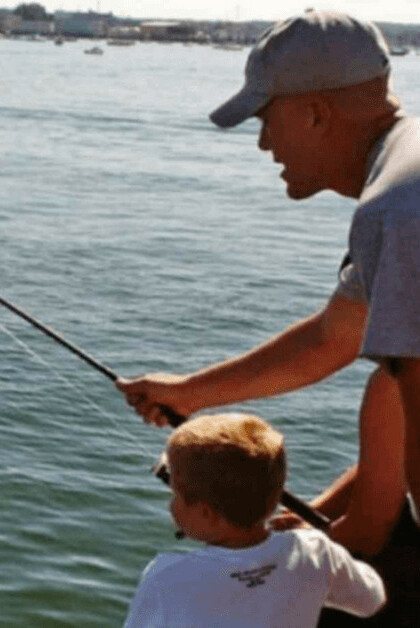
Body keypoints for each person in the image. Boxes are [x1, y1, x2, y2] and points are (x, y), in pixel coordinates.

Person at [116, 9, 420, 626]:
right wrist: (189, 393)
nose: (263, 144)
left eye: (265, 119)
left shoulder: (395, 212)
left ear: (314, 112)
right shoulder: (406, 178)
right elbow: (337, 335)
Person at [124, 413, 385, 627]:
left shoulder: (166, 577)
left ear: (207, 513)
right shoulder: (316, 551)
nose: (171, 504)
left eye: (176, 495)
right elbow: (372, 599)